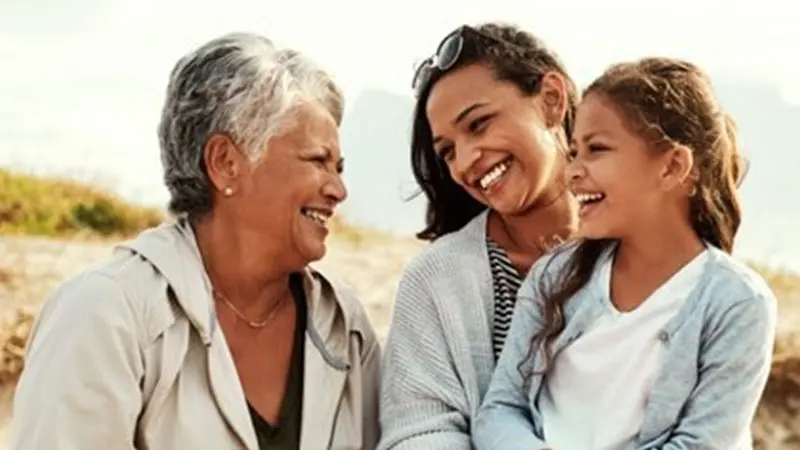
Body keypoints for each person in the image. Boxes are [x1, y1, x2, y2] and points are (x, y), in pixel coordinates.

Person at [9, 32, 380, 450]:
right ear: (225, 163)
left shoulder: (345, 325)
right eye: (318, 161)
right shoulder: (104, 315)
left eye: (340, 168)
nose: (337, 190)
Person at [473, 57, 777, 450]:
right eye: (574, 152)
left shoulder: (736, 303)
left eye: (596, 149)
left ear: (671, 167)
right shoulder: (554, 276)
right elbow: (500, 409)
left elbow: (701, 443)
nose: (573, 172)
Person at [378, 22, 580, 448]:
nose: (466, 162)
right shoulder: (434, 279)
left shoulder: (640, 248)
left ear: (551, 100)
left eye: (479, 124)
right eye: (447, 150)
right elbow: (419, 433)